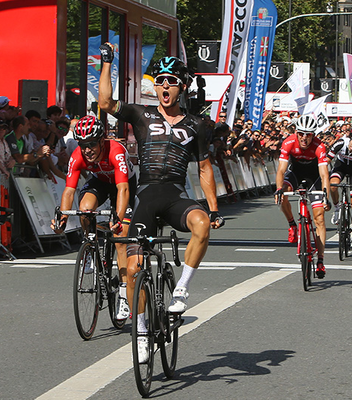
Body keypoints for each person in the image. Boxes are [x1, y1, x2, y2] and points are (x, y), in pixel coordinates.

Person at [98, 44, 224, 363]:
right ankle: (140, 332)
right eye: (160, 81)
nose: (164, 86)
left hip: (175, 196)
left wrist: (213, 208)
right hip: (146, 195)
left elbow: (206, 169)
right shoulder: (142, 113)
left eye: (171, 81)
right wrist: (106, 62)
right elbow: (104, 102)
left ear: (182, 86)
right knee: (134, 269)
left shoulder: (196, 125)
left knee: (202, 225)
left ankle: (181, 288)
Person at [51, 115, 136, 320]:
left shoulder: (116, 151)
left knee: (121, 238)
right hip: (99, 181)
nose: (87, 150)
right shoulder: (78, 155)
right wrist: (62, 218)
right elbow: (69, 191)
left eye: (91, 144)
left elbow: (123, 189)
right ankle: (90, 246)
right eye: (82, 145)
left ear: (101, 140)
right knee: (85, 208)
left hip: (123, 185)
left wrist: (119, 217)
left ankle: (124, 296)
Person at [274, 114, 331, 278]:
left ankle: (320, 260)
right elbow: (281, 170)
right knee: (282, 193)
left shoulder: (319, 146)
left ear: (313, 134)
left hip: (315, 177)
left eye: (308, 134)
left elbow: (324, 174)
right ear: (296, 132)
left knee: (319, 217)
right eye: (301, 133)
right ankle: (292, 224)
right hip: (296, 173)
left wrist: (325, 194)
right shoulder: (288, 142)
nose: (304, 138)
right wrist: (279, 189)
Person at [328, 129, 352, 251]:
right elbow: (326, 161)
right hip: (340, 167)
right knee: (333, 185)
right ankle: (336, 208)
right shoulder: (341, 142)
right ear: (351, 138)